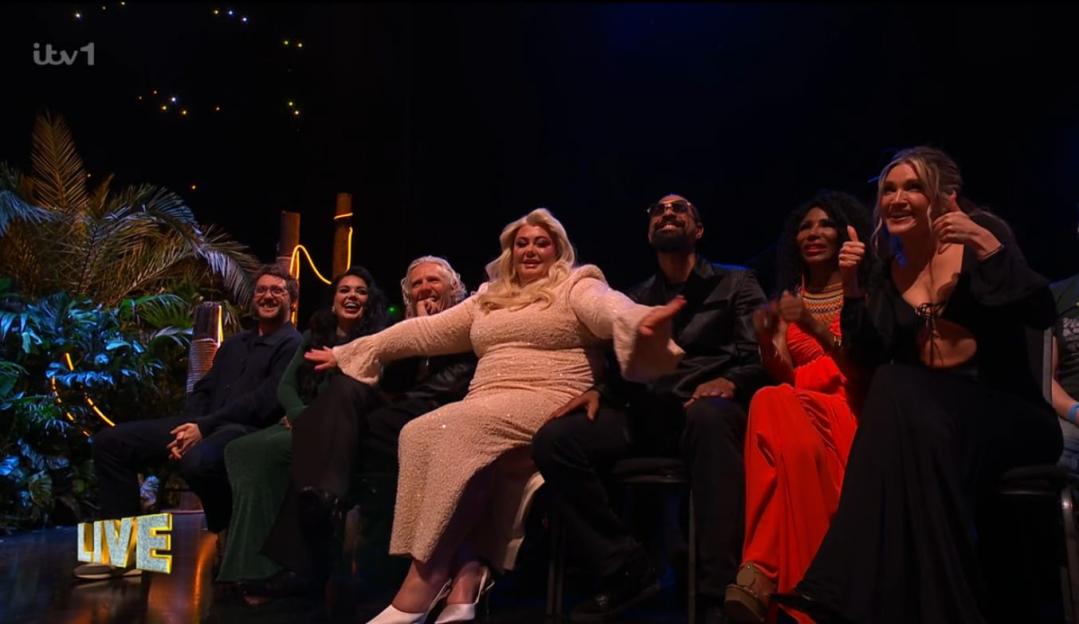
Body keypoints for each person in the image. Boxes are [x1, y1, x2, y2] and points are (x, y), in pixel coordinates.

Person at [305, 208, 686, 624]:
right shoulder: (489, 298)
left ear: (558, 250)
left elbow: (610, 308)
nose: (530, 249)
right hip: (486, 397)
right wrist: (349, 352)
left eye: (542, 242)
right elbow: (422, 332)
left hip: (549, 394)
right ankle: (464, 584)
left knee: (459, 431)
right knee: (417, 432)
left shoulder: (577, 285)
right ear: (509, 251)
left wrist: (641, 319)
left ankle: (424, 581)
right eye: (522, 242)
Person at [774, 147, 1063, 623]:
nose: (897, 198)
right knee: (895, 387)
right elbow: (865, 359)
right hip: (932, 423)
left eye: (912, 187)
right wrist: (851, 287)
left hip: (1009, 414)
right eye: (888, 189)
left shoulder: (981, 239)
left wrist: (990, 248)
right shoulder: (887, 267)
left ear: (943, 197)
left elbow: (1038, 312)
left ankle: (837, 588)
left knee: (905, 400)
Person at [532, 194, 768, 624]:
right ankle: (626, 567)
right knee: (556, 440)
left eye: (680, 209)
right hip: (649, 413)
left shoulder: (737, 282)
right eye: (658, 210)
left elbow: (760, 357)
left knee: (708, 417)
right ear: (649, 232)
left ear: (697, 230)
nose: (667, 213)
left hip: (709, 409)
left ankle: (718, 593)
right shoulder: (635, 296)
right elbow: (622, 367)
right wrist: (599, 389)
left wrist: (731, 381)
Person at [257, 256, 477, 597]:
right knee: (343, 391)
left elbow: (448, 384)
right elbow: (392, 379)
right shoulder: (406, 324)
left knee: (328, 435)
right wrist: (417, 329)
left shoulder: (468, 317)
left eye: (433, 281)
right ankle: (323, 496)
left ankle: (313, 546)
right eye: (416, 284)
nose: (424, 289)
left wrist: (426, 333)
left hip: (441, 412)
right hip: (400, 407)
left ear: (454, 286)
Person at [77, 264, 303, 580]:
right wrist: (189, 427)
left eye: (276, 290)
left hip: (243, 430)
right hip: (199, 424)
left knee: (198, 462)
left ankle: (223, 527)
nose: (267, 295)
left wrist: (203, 428)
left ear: (291, 300)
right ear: (253, 298)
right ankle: (123, 556)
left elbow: (263, 402)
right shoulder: (236, 343)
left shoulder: (293, 344)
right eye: (261, 290)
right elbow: (205, 388)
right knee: (111, 442)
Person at [723, 191, 869, 623]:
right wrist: (768, 341)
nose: (814, 233)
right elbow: (784, 375)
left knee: (775, 407)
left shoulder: (863, 290)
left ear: (845, 233)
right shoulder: (790, 296)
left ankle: (762, 571)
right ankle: (804, 586)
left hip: (853, 404)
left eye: (825, 224)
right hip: (801, 408)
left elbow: (860, 368)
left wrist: (812, 324)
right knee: (772, 398)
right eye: (805, 227)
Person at [215, 266, 388, 600]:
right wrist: (301, 416)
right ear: (334, 299)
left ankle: (284, 567)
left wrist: (311, 423)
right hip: (305, 421)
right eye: (344, 290)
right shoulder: (315, 334)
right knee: (242, 449)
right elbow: (286, 386)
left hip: (344, 431)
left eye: (360, 291)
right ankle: (250, 566)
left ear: (370, 301)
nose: (351, 296)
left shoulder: (376, 338)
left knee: (272, 453)